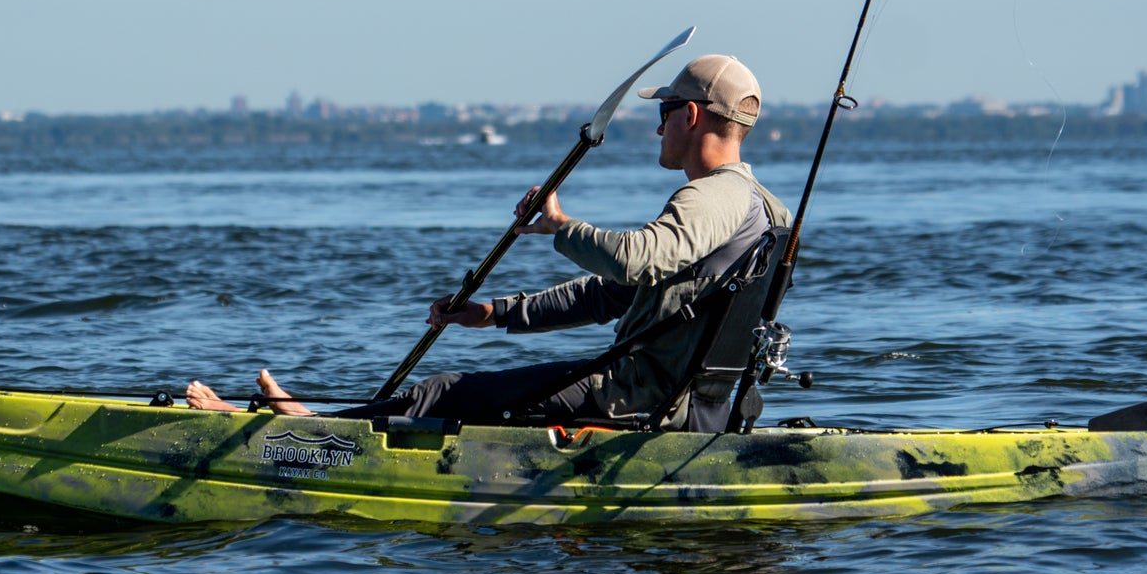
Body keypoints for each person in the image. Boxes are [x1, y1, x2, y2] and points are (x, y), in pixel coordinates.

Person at [186, 53, 790, 429]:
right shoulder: (761, 208)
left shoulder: (712, 197)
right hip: (690, 405)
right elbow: (612, 295)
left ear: (690, 117)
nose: (658, 127)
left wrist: (559, 227)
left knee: (441, 392)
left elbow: (636, 260)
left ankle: (302, 438)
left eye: (665, 113)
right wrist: (495, 314)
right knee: (464, 396)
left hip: (638, 400)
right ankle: (325, 428)